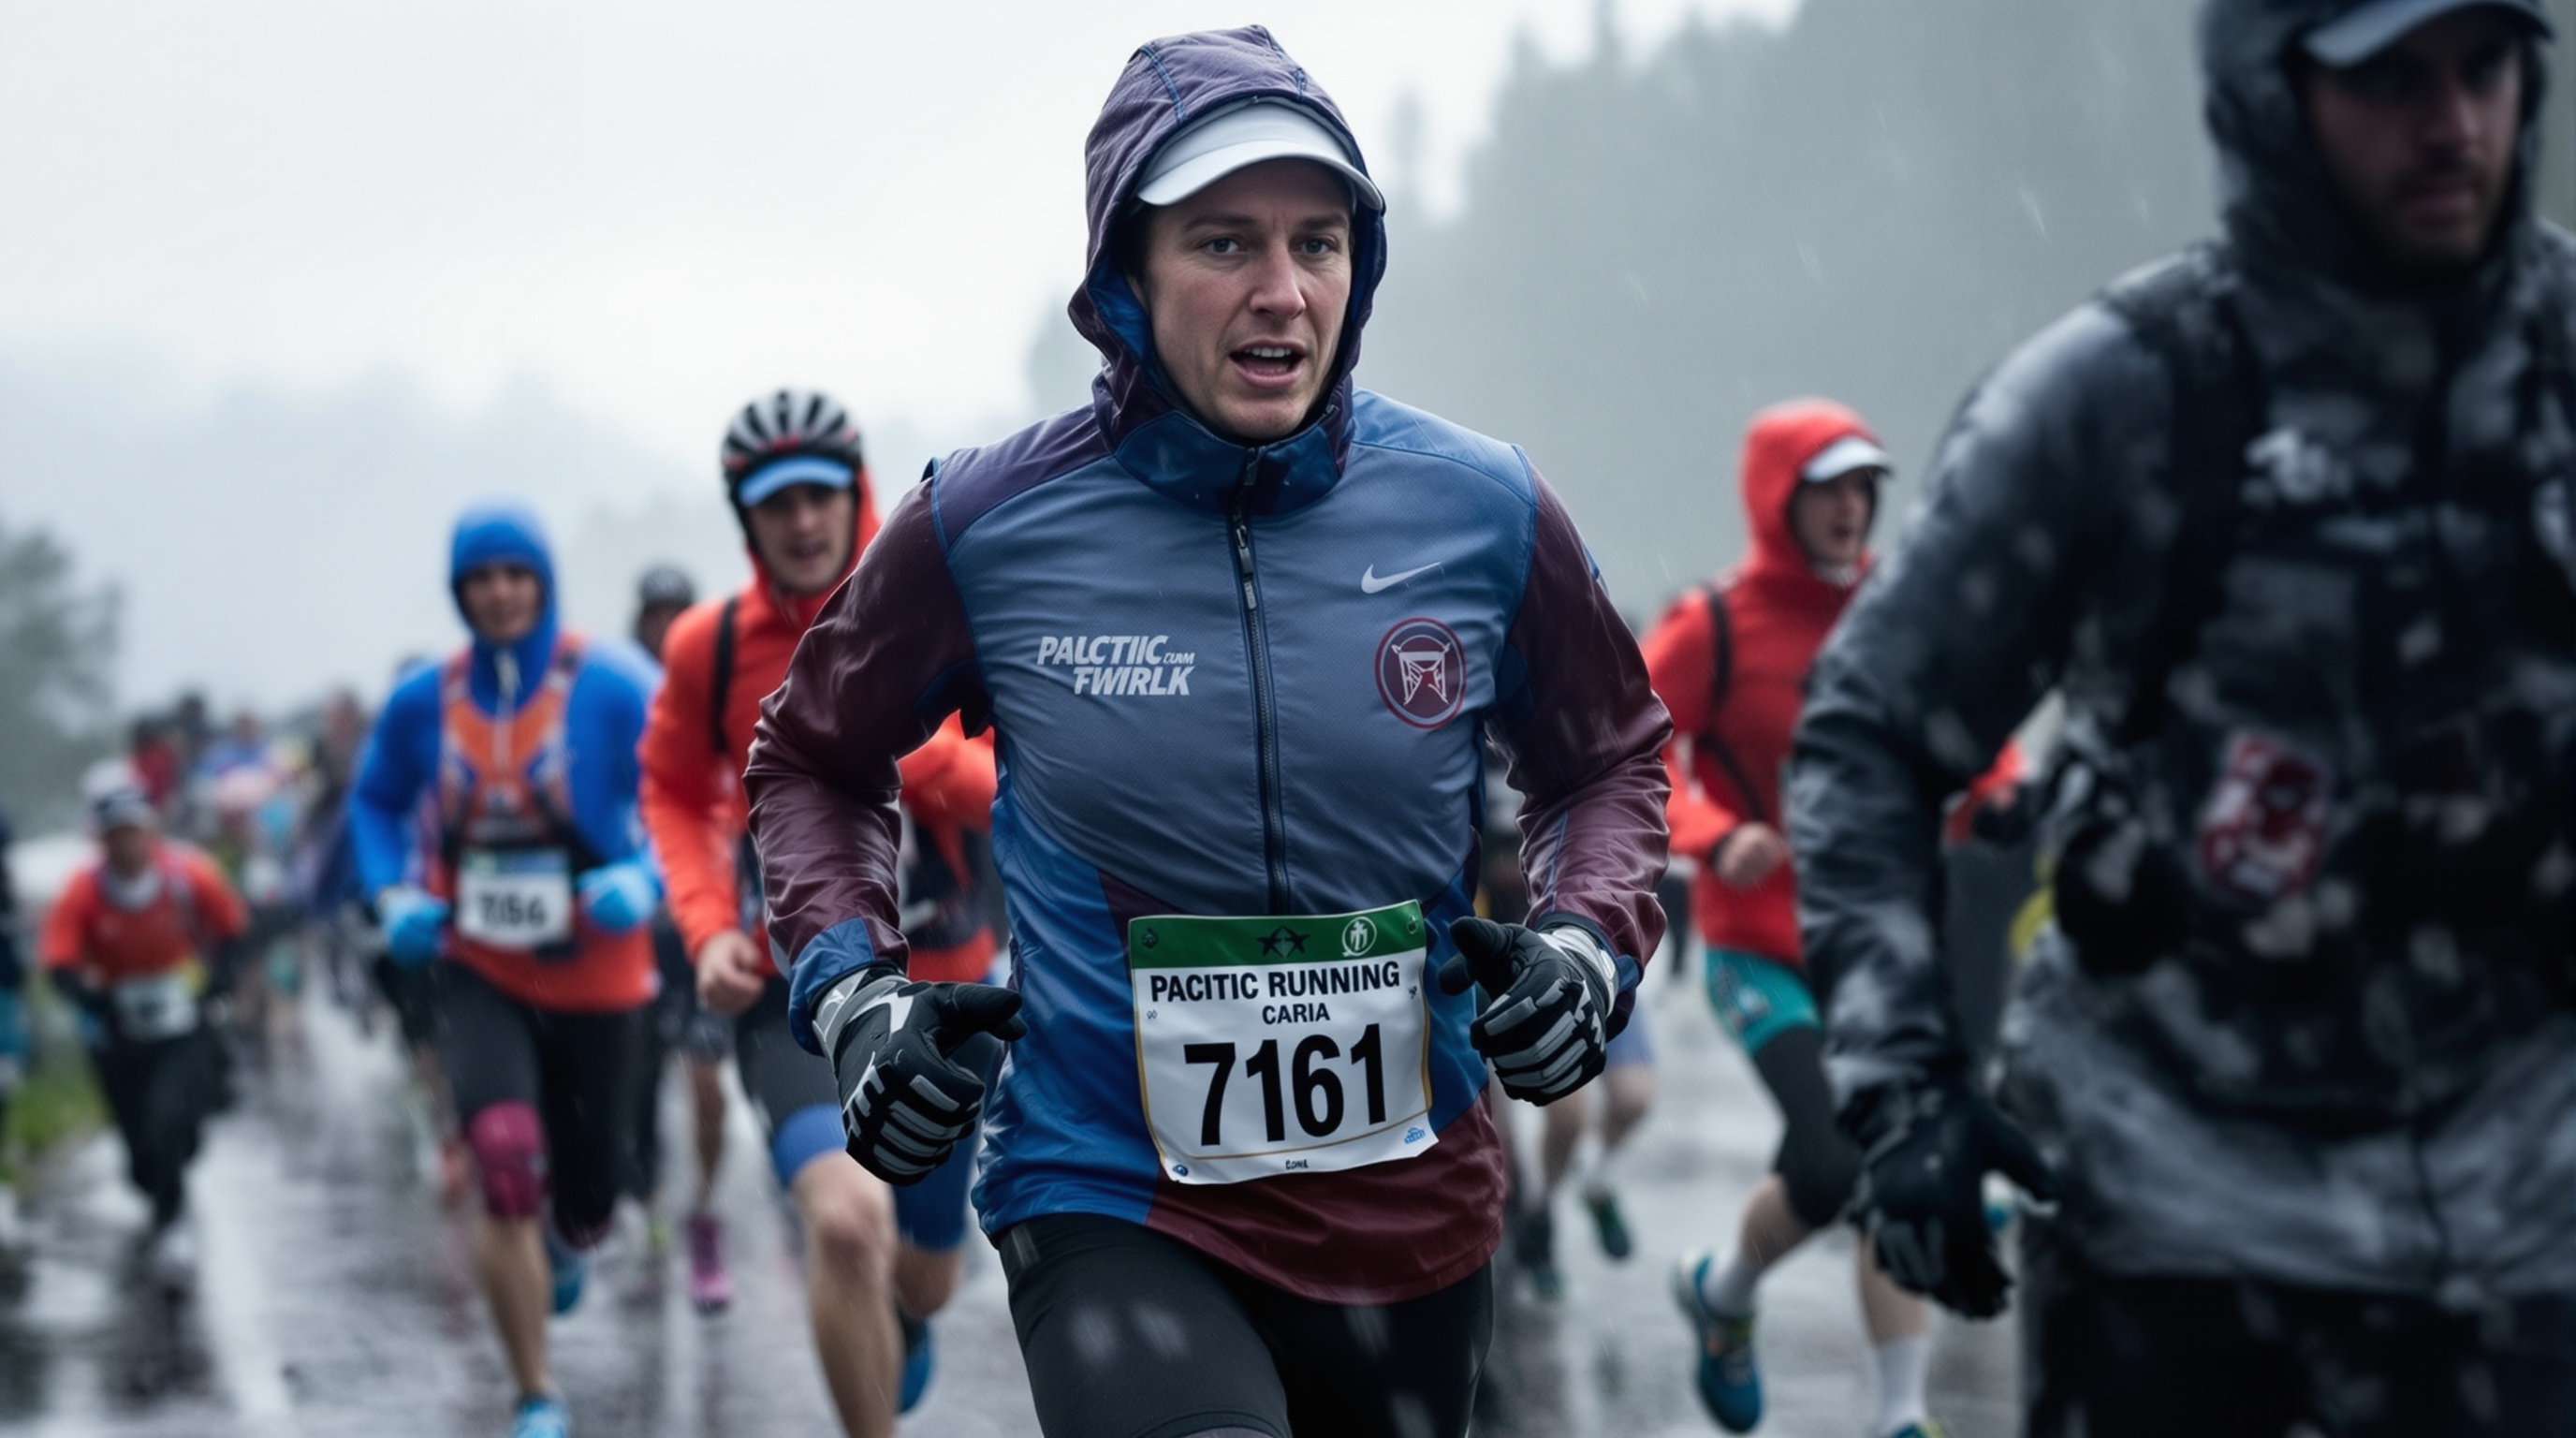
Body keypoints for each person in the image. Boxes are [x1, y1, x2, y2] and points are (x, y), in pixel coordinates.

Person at [743, 29, 1672, 1438]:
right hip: (1113, 1192)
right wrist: (853, 996)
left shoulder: (1481, 509)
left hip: (1410, 1213)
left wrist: (1588, 944)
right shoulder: (986, 525)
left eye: (1318, 242)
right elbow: (815, 757)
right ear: (1128, 271)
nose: (1282, 292)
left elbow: (1607, 757)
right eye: (1225, 242)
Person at [1791, 3, 2576, 1434]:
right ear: (2270, 93)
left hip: (2525, 1223)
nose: (2454, 124)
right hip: (2173, 1213)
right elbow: (1872, 729)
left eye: (2484, 67)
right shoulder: (2125, 397)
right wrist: (1906, 1090)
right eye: (2389, 77)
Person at [637, 389, 1002, 1430]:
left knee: (924, 1270)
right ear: (744, 519)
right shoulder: (707, 650)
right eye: (774, 503)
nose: (801, 522)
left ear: (857, 496)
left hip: (947, 982)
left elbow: (1013, 777)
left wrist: (901, 747)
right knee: (844, 1224)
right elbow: (668, 791)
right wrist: (706, 928)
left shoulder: (936, 610)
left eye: (819, 497)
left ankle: (905, 1313)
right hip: (799, 987)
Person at [1654, 402, 1998, 1438]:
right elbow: (1626, 752)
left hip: (1877, 951)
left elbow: (1971, 727)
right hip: (1760, 948)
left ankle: (1902, 1416)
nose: (1851, 509)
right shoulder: (1713, 625)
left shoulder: (1903, 607)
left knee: (1894, 1167)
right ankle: (1722, 1290)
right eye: (1827, 488)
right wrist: (1714, 832)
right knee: (1827, 1166)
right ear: (1776, 497)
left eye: (1864, 489)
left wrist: (2003, 786)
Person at [347, 502, 661, 1438]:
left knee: (591, 1196)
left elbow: (695, 794)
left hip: (602, 975)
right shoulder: (423, 703)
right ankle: (534, 1392)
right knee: (504, 1167)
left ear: (542, 580)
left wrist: (643, 877)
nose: (498, 594)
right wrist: (391, 896)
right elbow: (373, 802)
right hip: (477, 968)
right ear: (459, 593)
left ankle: (573, 1242)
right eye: (479, 579)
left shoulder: (614, 681)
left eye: (514, 575)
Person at [40, 774, 249, 1292]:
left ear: (150, 830)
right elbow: (59, 963)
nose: (128, 843)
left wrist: (217, 986)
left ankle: (173, 1225)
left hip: (182, 1025)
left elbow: (234, 930)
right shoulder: (83, 894)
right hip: (121, 1034)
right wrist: (95, 1001)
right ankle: (157, 1185)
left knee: (170, 1120)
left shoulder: (188, 876)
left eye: (135, 830)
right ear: (101, 839)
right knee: (140, 1154)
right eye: (116, 833)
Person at [614, 563, 728, 1284]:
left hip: (704, 922)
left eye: (677, 613)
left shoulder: (723, 692)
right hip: (638, 923)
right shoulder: (620, 692)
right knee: (637, 1079)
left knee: (708, 1080)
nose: (666, 628)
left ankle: (705, 1203)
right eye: (654, 615)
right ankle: (648, 1192)